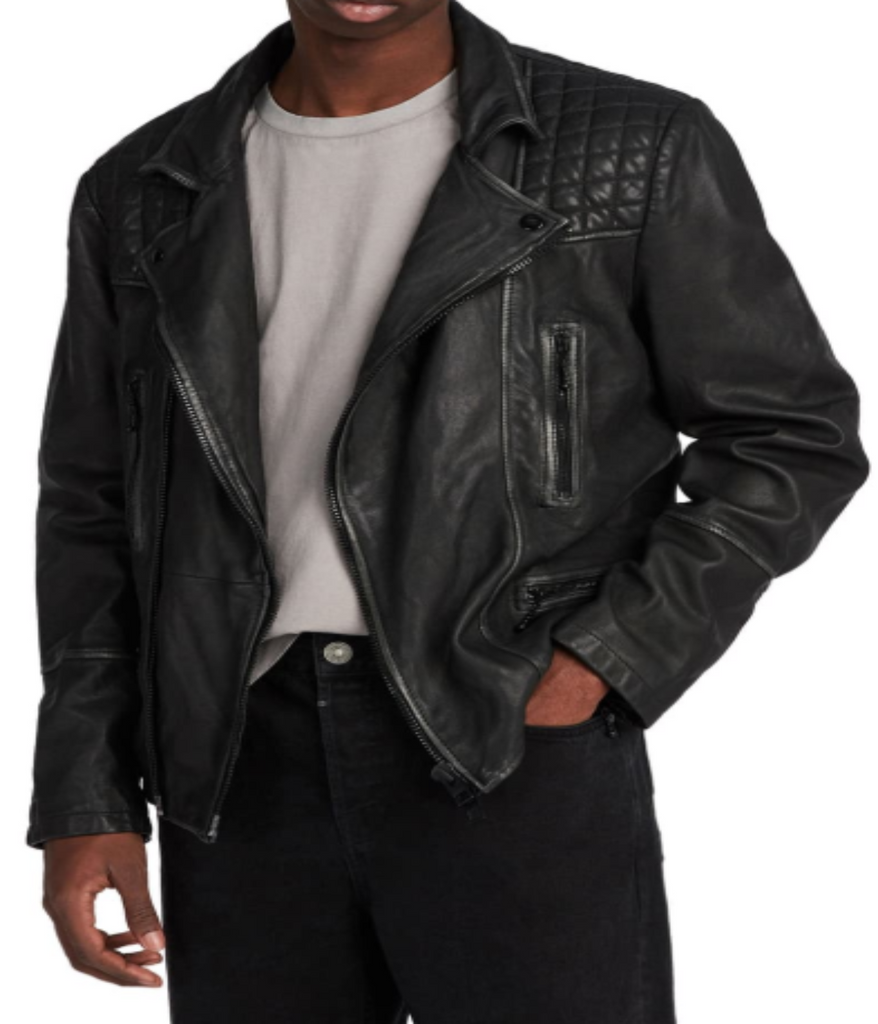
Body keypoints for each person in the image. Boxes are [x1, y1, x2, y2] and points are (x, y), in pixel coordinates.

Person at [29, 1, 869, 1020]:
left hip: (507, 732)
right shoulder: (142, 185)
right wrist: (86, 793)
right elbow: (92, 504)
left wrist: (607, 657)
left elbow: (791, 435)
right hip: (239, 756)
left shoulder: (633, 146)